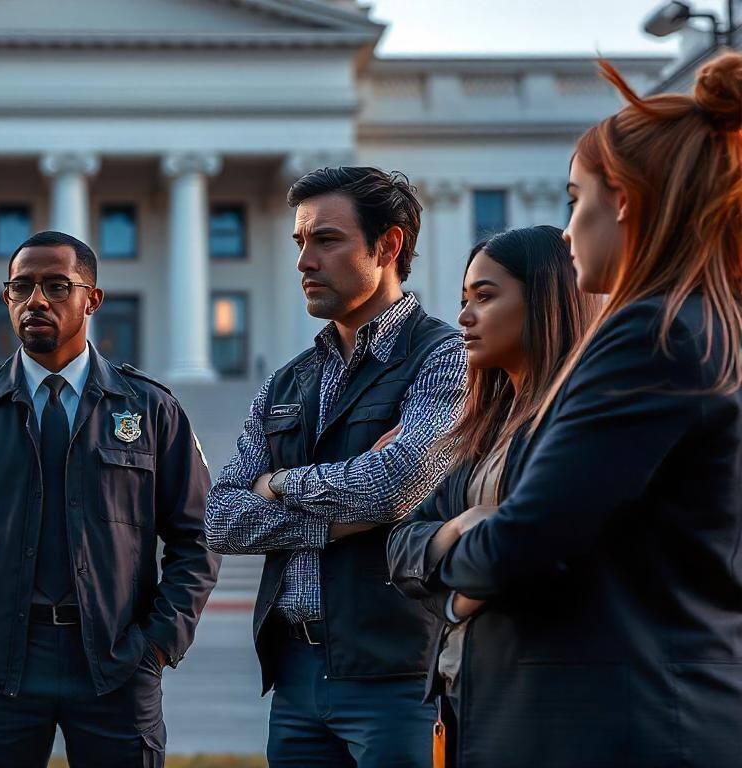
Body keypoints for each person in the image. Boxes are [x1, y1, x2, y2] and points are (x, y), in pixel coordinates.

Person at [424, 53, 742, 767]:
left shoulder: (650, 336)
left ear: (623, 200)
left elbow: (520, 544)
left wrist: (450, 541)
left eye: (575, 199)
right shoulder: (711, 328)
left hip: (612, 731)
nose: (566, 231)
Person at [0, 230, 220, 768]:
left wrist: (159, 643)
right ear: (6, 299)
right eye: (21, 287)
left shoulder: (150, 408)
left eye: (56, 285)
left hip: (116, 664)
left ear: (92, 299)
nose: (36, 301)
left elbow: (199, 535)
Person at [205, 166, 467, 768]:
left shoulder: (446, 358)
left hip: (399, 677)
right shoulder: (288, 380)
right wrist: (340, 512)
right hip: (294, 679)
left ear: (389, 245)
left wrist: (275, 486)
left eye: (326, 240)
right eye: (300, 242)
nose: (303, 261)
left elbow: (396, 485)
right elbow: (220, 518)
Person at [386, 226, 597, 767]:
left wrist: (455, 590)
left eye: (484, 296)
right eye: (463, 299)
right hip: (463, 702)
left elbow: (534, 552)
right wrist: (459, 529)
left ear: (549, 300)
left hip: (541, 707)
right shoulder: (481, 428)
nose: (464, 318)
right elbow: (402, 548)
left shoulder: (578, 422)